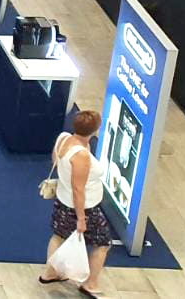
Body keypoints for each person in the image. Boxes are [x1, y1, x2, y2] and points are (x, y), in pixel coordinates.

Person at [39, 111, 113, 296]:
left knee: (59, 235)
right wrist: (81, 219)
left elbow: (56, 160)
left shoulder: (63, 138)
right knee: (103, 243)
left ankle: (50, 272)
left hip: (62, 201)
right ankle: (91, 283)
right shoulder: (81, 156)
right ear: (95, 129)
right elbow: (78, 189)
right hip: (83, 208)